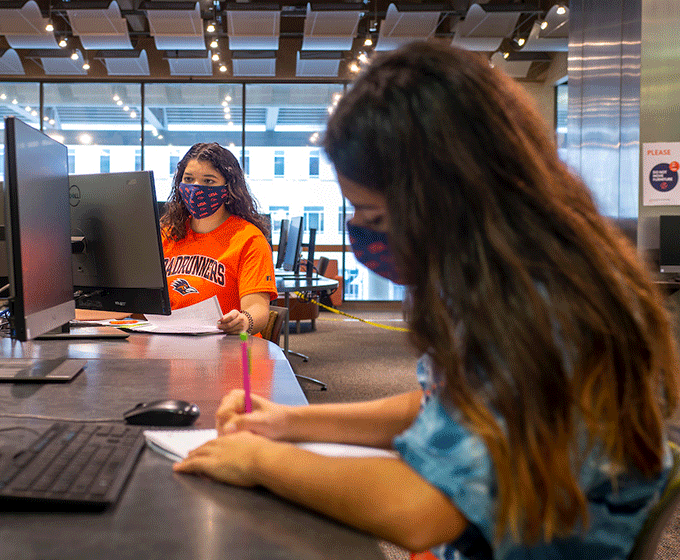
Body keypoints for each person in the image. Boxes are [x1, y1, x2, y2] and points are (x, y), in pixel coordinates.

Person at [173, 42, 679, 559]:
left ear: (442, 195)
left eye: (373, 215)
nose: (366, 235)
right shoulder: (507, 276)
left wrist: (258, 460)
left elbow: (424, 512)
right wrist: (286, 422)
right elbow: (444, 402)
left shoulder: (543, 308)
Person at [160, 142, 277, 335]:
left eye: (208, 181)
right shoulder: (167, 234)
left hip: (228, 348)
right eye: (188, 179)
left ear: (228, 188)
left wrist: (244, 320)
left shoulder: (249, 239)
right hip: (171, 344)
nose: (195, 188)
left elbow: (259, 309)